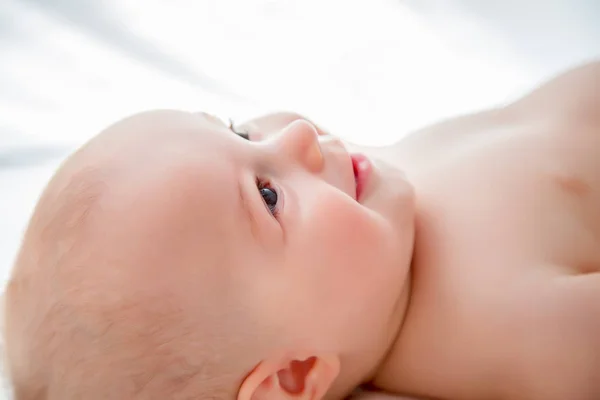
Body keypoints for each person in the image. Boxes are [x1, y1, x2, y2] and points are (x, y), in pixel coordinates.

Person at [3, 60, 600, 400]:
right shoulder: (500, 326)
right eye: (268, 196)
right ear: (293, 376)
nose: (297, 138)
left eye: (240, 132)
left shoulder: (366, 206)